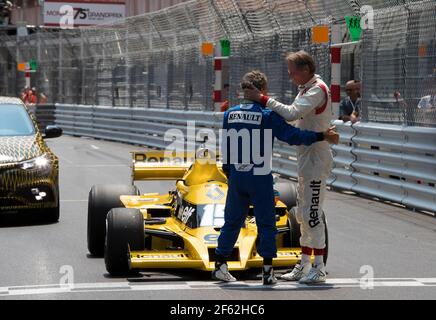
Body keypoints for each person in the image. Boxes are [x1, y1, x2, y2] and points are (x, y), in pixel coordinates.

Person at [213, 70, 339, 285]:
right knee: (266, 223)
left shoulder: (229, 114)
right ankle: (268, 272)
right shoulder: (267, 115)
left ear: (243, 91)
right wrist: (321, 135)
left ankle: (220, 266)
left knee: (232, 221)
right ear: (262, 91)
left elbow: (226, 146)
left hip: (237, 175)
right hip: (260, 176)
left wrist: (229, 171)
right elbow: (293, 136)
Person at [243, 51, 333, 284]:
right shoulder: (305, 88)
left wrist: (263, 99)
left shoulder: (317, 89)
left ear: (305, 69)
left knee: (313, 215)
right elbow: (293, 120)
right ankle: (303, 265)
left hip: (316, 158)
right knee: (302, 215)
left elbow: (292, 113)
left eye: (293, 72)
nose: (290, 76)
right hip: (306, 157)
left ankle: (319, 268)